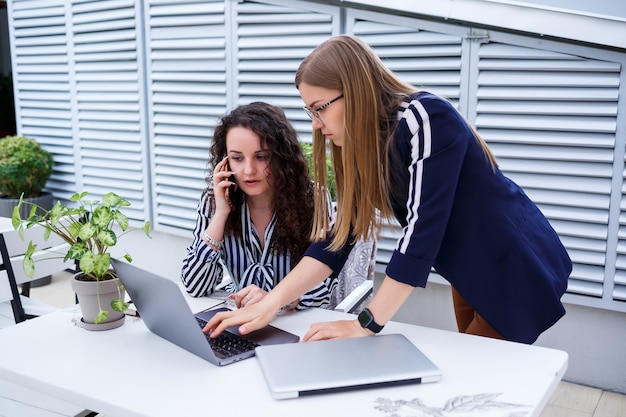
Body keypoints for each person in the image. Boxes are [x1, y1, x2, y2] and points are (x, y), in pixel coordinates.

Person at [204, 35, 572, 345]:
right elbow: (339, 238)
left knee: (479, 380)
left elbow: (420, 233)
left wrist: (367, 323)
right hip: (468, 270)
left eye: (319, 109)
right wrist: (271, 303)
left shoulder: (426, 119)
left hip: (515, 268)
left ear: (354, 90)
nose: (315, 126)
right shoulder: (362, 146)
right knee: (478, 376)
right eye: (309, 112)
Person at [181, 102, 336, 310]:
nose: (249, 170)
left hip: (295, 325)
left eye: (261, 157)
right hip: (240, 322)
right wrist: (220, 215)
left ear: (282, 157)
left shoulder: (313, 199)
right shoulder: (214, 202)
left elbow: (326, 287)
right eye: (237, 158)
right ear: (225, 162)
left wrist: (276, 299)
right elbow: (195, 286)